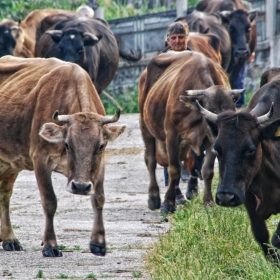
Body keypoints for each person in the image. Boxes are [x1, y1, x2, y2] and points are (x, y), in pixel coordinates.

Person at [163, 21, 204, 204]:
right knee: (169, 146)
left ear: (187, 38)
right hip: (169, 111)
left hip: (191, 109)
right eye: (174, 38)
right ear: (168, 40)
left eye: (181, 37)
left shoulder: (195, 58)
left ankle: (194, 180)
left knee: (199, 145)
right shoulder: (162, 61)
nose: (178, 41)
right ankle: (174, 188)